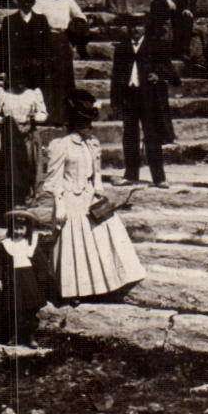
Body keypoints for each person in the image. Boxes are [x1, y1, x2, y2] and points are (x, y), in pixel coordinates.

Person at [42, 90, 146, 300]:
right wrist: (59, 204)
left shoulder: (93, 144)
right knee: (75, 246)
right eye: (83, 124)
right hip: (70, 199)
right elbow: (54, 179)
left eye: (89, 124)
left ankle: (110, 283)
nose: (88, 129)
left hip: (89, 198)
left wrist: (98, 191)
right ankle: (75, 291)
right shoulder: (60, 145)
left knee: (107, 236)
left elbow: (96, 174)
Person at [108, 10, 178, 187]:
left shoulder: (155, 45)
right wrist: (115, 101)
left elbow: (171, 72)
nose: (136, 29)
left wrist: (158, 75)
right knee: (129, 135)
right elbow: (116, 76)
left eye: (139, 25)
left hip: (149, 98)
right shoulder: (122, 47)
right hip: (129, 96)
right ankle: (131, 174)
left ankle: (159, 177)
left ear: (146, 26)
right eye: (132, 25)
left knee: (152, 136)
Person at [0, 74, 47, 225]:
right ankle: (5, 209)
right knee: (6, 169)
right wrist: (5, 121)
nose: (20, 83)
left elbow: (43, 113)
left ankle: (25, 204)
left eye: (22, 79)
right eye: (17, 79)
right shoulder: (3, 93)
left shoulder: (33, 93)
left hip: (27, 136)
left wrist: (33, 119)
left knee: (28, 168)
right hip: (8, 136)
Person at [33, 0, 89, 127]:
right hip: (47, 38)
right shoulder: (42, 2)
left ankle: (65, 116)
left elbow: (81, 17)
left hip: (64, 38)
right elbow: (33, 18)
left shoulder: (68, 1)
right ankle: (49, 114)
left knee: (64, 78)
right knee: (48, 77)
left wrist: (74, 30)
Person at [0, 211, 47, 344]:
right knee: (14, 308)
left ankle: (30, 335)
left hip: (28, 278)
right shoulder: (5, 245)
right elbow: (0, 264)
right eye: (15, 228)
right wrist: (0, 280)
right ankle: (15, 336)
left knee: (30, 309)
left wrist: (41, 279)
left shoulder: (31, 243)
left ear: (27, 229)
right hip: (13, 279)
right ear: (11, 228)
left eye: (21, 228)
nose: (18, 231)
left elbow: (40, 262)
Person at [0, 0, 50, 94]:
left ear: (34, 2)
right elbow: (3, 46)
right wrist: (1, 70)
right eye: (23, 1)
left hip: (36, 70)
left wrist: (46, 68)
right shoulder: (9, 21)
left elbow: (47, 46)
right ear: (18, 1)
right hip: (15, 69)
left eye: (29, 1)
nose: (26, 4)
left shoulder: (41, 20)